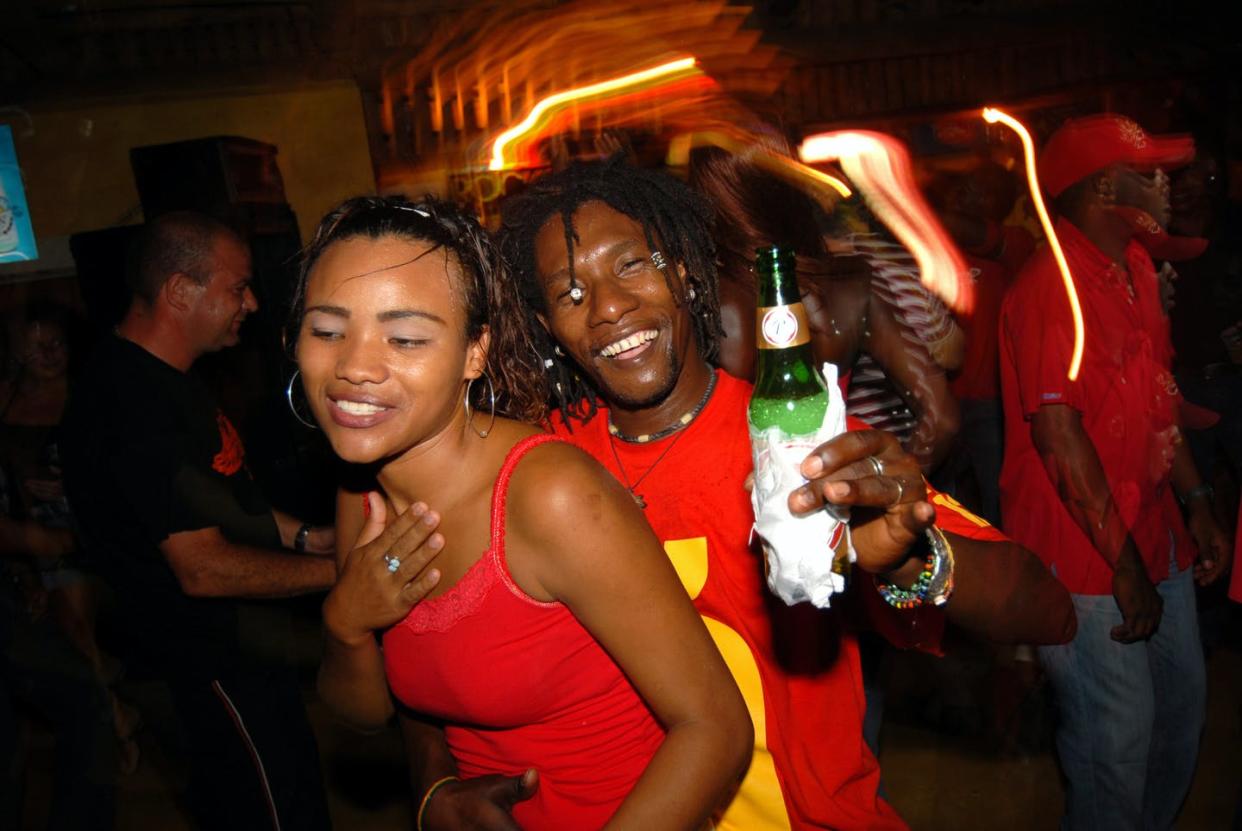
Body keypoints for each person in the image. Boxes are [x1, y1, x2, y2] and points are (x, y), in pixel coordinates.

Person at [382, 156, 1075, 831]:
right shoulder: (532, 470)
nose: (609, 308)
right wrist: (433, 783)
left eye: (631, 264)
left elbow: (1048, 611)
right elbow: (423, 646)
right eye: (570, 294)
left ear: (684, 271)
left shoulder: (798, 446)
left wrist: (908, 557)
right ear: (545, 330)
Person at [297, 195, 750, 830]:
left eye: (404, 337)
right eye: (327, 330)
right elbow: (368, 711)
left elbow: (717, 728)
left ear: (474, 352)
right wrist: (344, 622)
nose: (354, 368)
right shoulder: (360, 496)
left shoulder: (549, 495)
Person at [61, 211, 340, 830]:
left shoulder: (167, 382)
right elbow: (203, 568)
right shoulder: (132, 402)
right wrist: (342, 570)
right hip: (206, 664)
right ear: (180, 291)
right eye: (236, 287)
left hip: (235, 653)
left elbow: (213, 497)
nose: (252, 302)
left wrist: (303, 535)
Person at [998, 114, 1232, 830]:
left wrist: (1194, 499)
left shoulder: (1131, 267)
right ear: (1106, 187)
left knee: (1180, 716)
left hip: (1152, 534)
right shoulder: (1050, 287)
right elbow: (1061, 439)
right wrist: (1125, 564)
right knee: (1113, 745)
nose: (1169, 184)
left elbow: (1161, 396)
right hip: (1087, 556)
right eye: (1150, 171)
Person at [688, 145, 961, 473]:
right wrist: (889, 491)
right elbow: (941, 418)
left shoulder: (703, 296)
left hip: (734, 504)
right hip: (826, 494)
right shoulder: (851, 286)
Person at [0, 303, 142, 774]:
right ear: (18, 350)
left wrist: (73, 483)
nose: (49, 352)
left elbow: (124, 463)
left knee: (76, 624)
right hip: (27, 530)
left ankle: (116, 716)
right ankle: (112, 706)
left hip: (83, 523)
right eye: (37, 343)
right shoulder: (4, 399)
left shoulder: (86, 396)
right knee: (63, 629)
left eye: (56, 342)